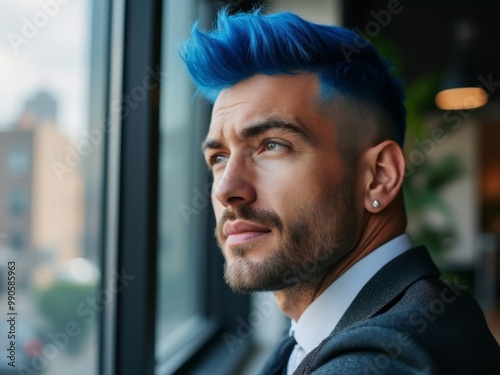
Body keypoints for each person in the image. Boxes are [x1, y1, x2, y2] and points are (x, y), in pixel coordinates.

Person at [180, 8, 500, 375]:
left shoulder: (385, 360)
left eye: (272, 146)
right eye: (219, 157)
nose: (226, 189)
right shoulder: (333, 329)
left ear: (379, 176)